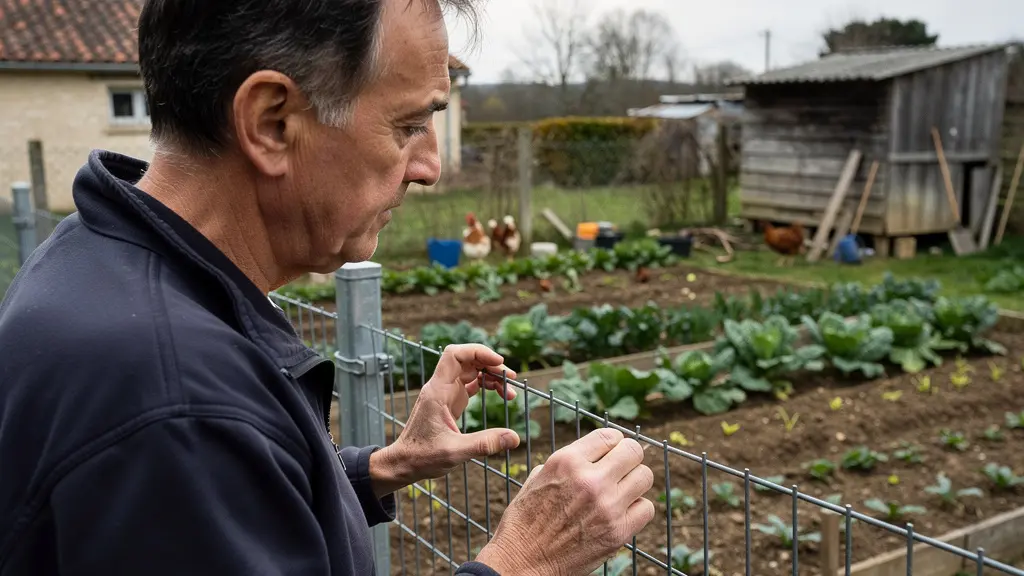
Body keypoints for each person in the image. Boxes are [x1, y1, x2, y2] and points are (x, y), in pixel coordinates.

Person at [0, 0, 655, 574]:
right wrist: (522, 563)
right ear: (272, 121)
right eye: (406, 126)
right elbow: (188, 452)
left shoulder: (102, 256)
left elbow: (219, 515)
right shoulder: (177, 407)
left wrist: (384, 467)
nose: (427, 167)